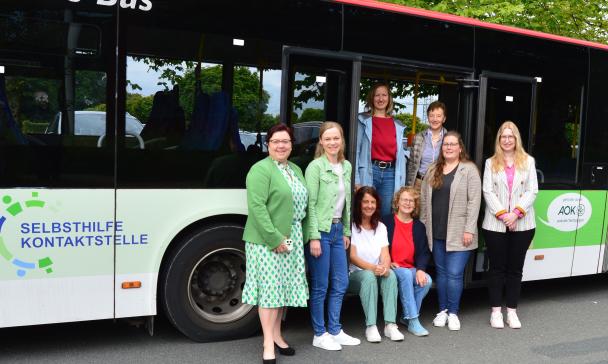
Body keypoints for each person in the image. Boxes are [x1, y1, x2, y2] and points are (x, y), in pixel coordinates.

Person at [242, 124, 309, 364]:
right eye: (276, 141)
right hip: (266, 240)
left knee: (283, 290)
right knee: (270, 293)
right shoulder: (260, 170)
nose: (281, 146)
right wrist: (275, 238)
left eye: (286, 141)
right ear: (268, 144)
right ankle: (267, 343)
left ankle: (278, 336)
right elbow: (257, 208)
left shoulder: (295, 169)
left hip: (293, 236)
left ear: (292, 145)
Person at [305, 121, 360, 350]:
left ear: (342, 140)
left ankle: (335, 330)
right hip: (321, 232)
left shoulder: (346, 166)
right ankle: (320, 333)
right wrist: (314, 236)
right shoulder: (315, 167)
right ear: (321, 141)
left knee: (341, 282)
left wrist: (346, 231)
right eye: (327, 139)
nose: (332, 142)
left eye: (336, 138)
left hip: (338, 231)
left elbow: (346, 202)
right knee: (320, 285)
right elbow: (311, 204)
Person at [420, 131, 481, 331]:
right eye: (446, 144)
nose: (448, 147)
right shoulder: (432, 170)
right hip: (436, 231)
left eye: (452, 144)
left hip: (460, 231)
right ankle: (443, 310)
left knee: (454, 273)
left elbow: (475, 201)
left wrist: (469, 229)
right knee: (442, 273)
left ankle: (453, 313)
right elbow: (423, 201)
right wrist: (423, 226)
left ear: (460, 148)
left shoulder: (469, 170)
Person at [482, 121, 538, 329]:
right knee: (497, 269)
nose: (506, 140)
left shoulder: (528, 161)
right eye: (503, 136)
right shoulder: (490, 163)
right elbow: (487, 191)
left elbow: (533, 191)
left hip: (522, 224)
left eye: (510, 136)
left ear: (516, 139)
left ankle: (512, 312)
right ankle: (496, 311)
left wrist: (515, 214)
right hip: (495, 224)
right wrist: (504, 215)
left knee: (515, 270)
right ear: (499, 139)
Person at [348, 186, 405, 343]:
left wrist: (385, 267)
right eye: (365, 201)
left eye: (373, 202)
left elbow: (385, 254)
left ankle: (390, 325)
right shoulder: (351, 225)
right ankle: (371, 326)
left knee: (391, 275)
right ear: (359, 203)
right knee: (368, 277)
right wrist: (374, 268)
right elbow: (352, 257)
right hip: (355, 275)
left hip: (376, 271)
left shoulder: (381, 227)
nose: (369, 205)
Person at [385, 186, 432, 337]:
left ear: (415, 205)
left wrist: (420, 269)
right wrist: (387, 261)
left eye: (411, 201)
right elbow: (378, 245)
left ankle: (406, 316)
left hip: (410, 268)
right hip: (393, 266)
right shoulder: (386, 221)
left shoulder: (418, 226)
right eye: (404, 199)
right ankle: (412, 319)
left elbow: (424, 252)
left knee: (428, 280)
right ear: (397, 202)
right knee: (404, 274)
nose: (408, 203)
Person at [355, 83, 407, 217]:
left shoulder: (397, 125)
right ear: (372, 98)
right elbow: (356, 152)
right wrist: (356, 180)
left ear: (389, 99)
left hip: (390, 174)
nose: (380, 98)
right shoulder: (362, 121)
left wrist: (402, 183)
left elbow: (401, 158)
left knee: (385, 214)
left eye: (384, 95)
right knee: (366, 213)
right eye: (377, 95)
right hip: (370, 170)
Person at [407, 101, 448, 191]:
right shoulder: (418, 137)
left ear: (444, 119)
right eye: (431, 115)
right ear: (428, 117)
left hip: (441, 183)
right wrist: (409, 187)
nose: (435, 119)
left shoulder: (449, 138)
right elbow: (411, 164)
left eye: (438, 116)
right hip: (419, 183)